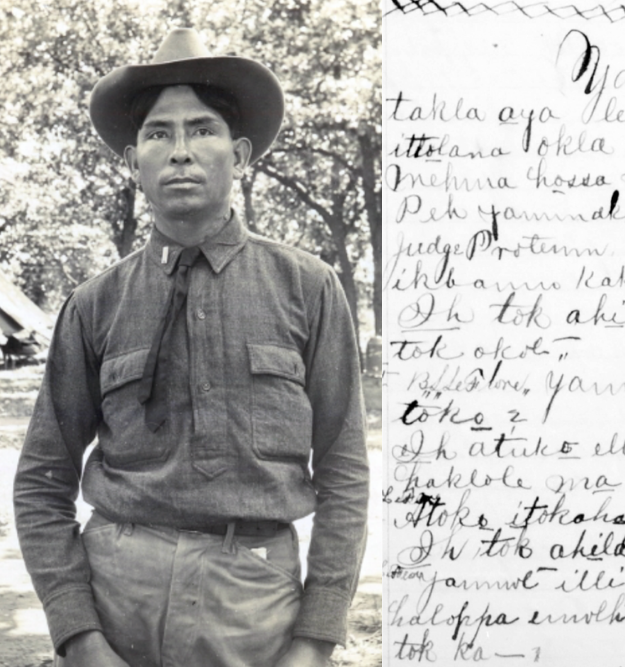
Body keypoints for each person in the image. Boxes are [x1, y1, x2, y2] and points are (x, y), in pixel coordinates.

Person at [13, 28, 369, 667]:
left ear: (240, 155)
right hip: (115, 595)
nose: (180, 152)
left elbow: (344, 471)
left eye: (201, 130)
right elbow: (42, 479)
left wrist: (315, 640)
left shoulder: (308, 287)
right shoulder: (95, 304)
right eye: (158, 134)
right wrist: (80, 636)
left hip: (254, 607)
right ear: (132, 164)